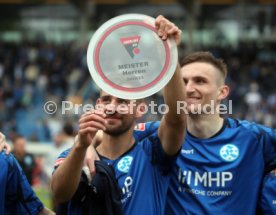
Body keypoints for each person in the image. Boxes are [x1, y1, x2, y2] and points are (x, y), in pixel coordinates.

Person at [86, 51, 276, 215]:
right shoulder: (156, 135)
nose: (188, 89)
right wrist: (88, 146)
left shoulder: (255, 138)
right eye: (183, 82)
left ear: (223, 92)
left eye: (200, 81)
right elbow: (111, 134)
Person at [51, 15, 186, 215]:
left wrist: (169, 54)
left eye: (123, 102)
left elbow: (176, 118)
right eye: (107, 100)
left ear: (140, 110)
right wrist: (80, 147)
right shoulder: (75, 154)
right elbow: (59, 194)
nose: (113, 107)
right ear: (98, 105)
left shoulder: (153, 154)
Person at [0, 132, 54, 214]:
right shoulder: (8, 158)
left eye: (23, 145)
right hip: (21, 188)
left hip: (27, 187)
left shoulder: (29, 156)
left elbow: (36, 170)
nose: (22, 147)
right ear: (14, 145)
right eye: (19, 145)